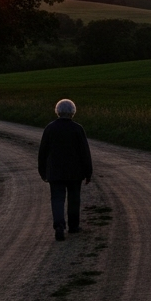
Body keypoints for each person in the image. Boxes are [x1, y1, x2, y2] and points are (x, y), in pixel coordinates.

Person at [38, 98, 93, 241]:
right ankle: (73, 226)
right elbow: (85, 152)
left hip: (55, 172)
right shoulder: (77, 129)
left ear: (58, 111)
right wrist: (88, 172)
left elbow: (43, 152)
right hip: (75, 172)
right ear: (72, 112)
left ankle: (59, 226)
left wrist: (42, 171)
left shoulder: (50, 128)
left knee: (57, 199)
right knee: (74, 198)